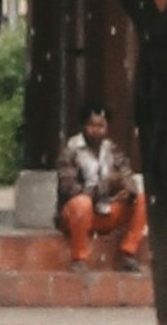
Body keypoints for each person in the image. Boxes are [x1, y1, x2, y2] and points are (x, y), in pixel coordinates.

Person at [55, 104, 144, 269]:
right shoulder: (70, 152)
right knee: (81, 203)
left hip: (107, 210)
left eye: (101, 126)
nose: (96, 130)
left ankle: (128, 253)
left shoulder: (112, 149)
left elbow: (127, 175)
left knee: (141, 199)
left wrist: (127, 192)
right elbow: (69, 189)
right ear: (83, 126)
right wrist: (105, 186)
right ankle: (79, 259)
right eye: (91, 125)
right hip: (78, 216)